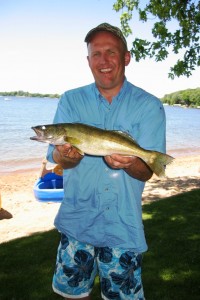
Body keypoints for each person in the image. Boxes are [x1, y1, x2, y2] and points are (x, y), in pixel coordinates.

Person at [47, 22, 166, 300]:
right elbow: (58, 158)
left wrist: (130, 162)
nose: (104, 61)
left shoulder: (149, 106)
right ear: (88, 60)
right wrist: (64, 156)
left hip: (121, 226)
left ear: (126, 57)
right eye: (96, 54)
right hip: (77, 223)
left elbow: (146, 173)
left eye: (111, 52)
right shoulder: (70, 100)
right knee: (73, 296)